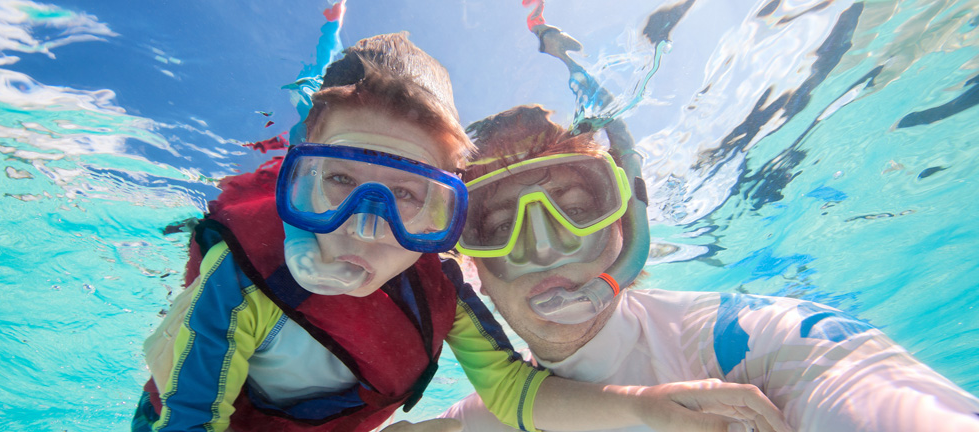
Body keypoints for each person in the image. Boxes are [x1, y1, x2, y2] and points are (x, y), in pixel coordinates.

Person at [131, 33, 792, 432]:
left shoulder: (437, 290)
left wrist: (646, 409)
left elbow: (513, 392)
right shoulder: (242, 284)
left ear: (440, 214)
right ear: (297, 178)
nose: (364, 229)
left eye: (407, 197)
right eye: (338, 184)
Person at [440, 27, 979, 432]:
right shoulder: (494, 413)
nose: (544, 246)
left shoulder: (755, 344)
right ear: (473, 266)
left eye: (579, 209)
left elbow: (861, 383)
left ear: (628, 224)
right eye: (499, 226)